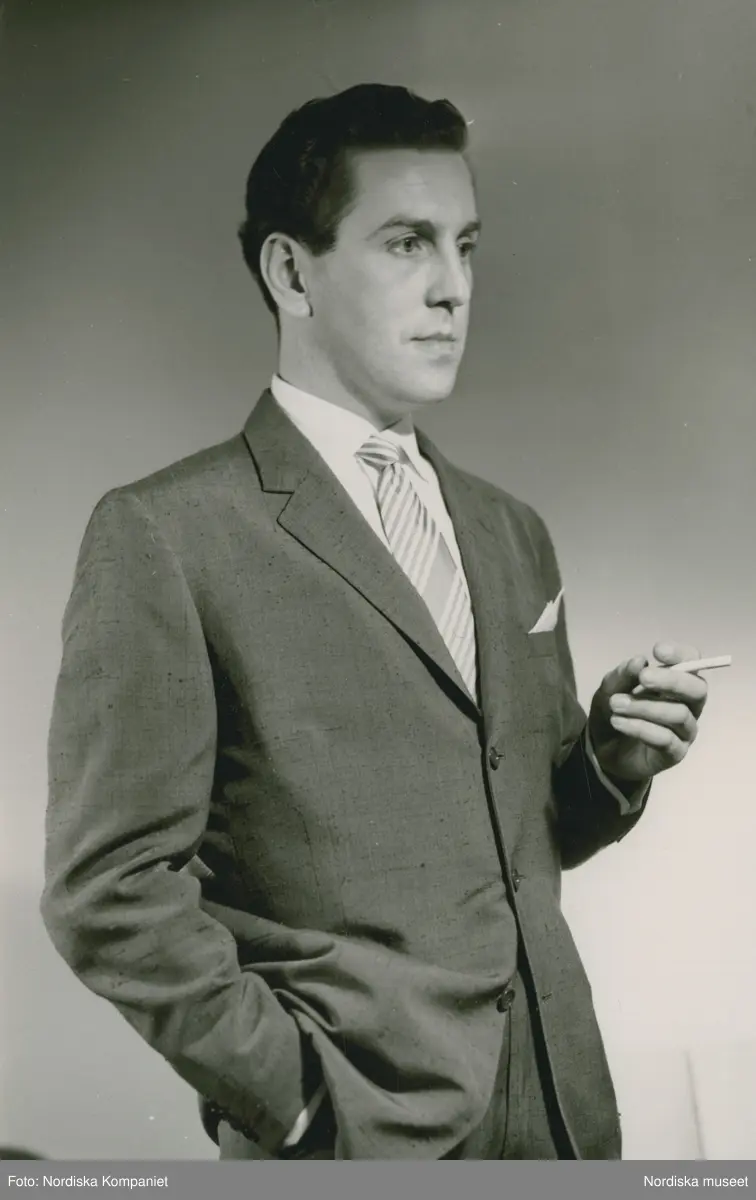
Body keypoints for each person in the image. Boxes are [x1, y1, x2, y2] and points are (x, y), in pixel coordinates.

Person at [40, 83, 708, 1161]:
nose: (454, 288)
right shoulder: (166, 534)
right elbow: (106, 893)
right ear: (290, 273)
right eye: (407, 243)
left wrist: (608, 763)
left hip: (565, 1121)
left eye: (466, 245)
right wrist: (301, 1103)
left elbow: (514, 841)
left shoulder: (511, 532)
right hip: (354, 1139)